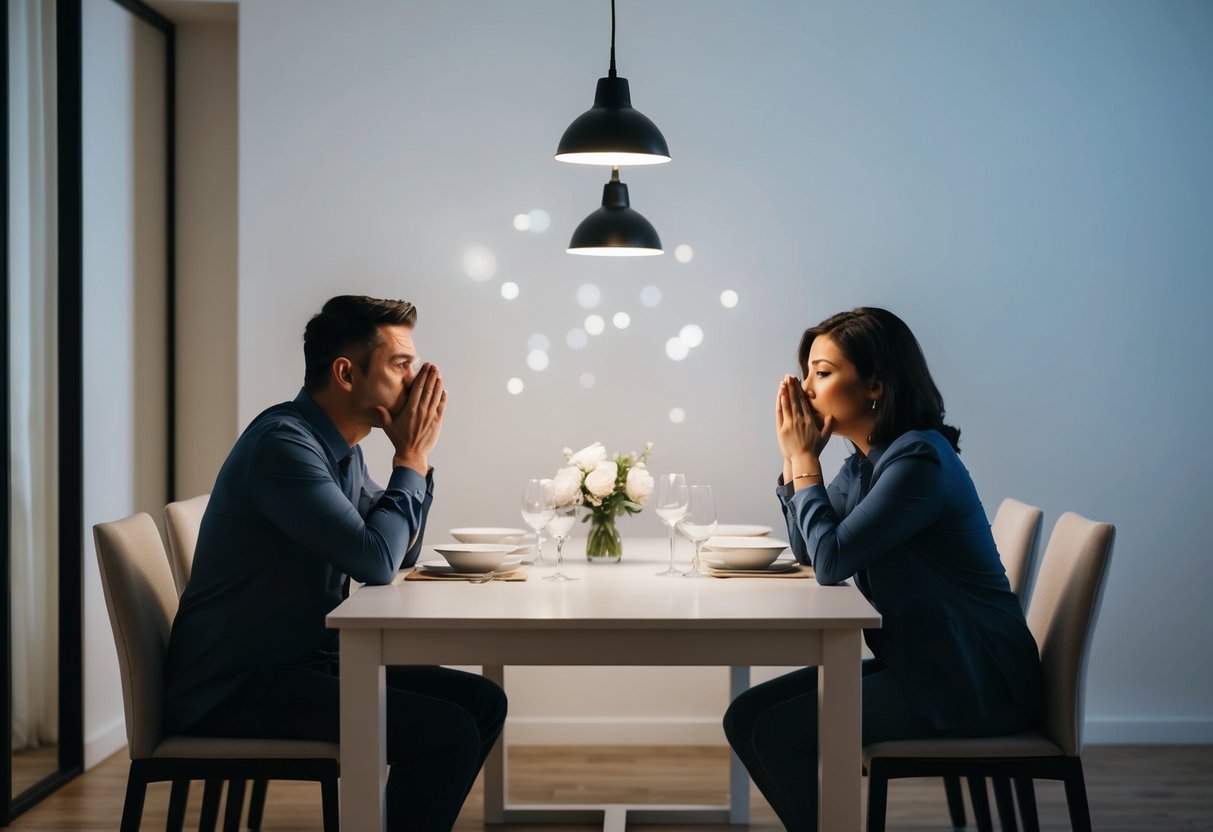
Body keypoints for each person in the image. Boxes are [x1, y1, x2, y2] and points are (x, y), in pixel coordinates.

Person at [164, 295, 507, 830]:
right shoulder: (285, 446)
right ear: (347, 373)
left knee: (482, 703)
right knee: (449, 732)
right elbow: (375, 559)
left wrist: (416, 461)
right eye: (400, 364)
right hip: (234, 686)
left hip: (300, 662)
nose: (415, 380)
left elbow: (399, 551)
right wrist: (410, 459)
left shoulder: (342, 450)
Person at [723, 307, 1043, 831]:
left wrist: (804, 461)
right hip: (928, 663)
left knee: (777, 733)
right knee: (745, 718)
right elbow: (811, 550)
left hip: (974, 681)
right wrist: (795, 459)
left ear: (874, 383)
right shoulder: (867, 462)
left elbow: (830, 563)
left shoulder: (918, 461)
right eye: (807, 374)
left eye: (822, 373)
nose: (806, 389)